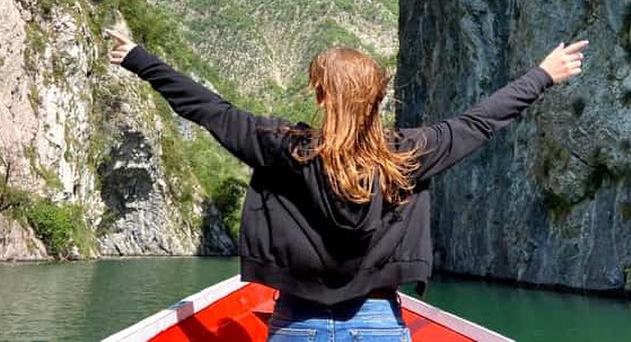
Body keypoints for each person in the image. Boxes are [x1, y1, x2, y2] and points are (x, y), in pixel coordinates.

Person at [105, 28, 587, 342]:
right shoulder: (407, 154)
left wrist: (139, 58)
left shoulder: (281, 147)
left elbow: (208, 109)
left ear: (320, 93)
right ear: (378, 99)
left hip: (297, 322)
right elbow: (480, 122)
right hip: (378, 323)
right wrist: (542, 75)